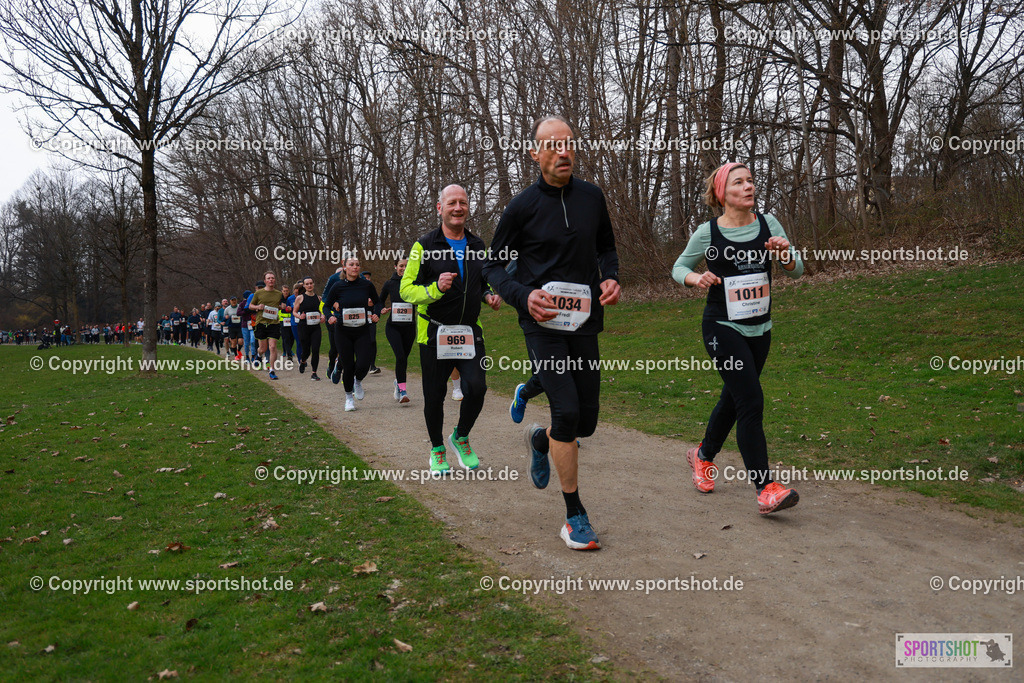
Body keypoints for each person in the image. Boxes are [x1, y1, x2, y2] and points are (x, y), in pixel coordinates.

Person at [483, 115, 620, 551]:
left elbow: (606, 248)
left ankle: (539, 440)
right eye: (553, 145)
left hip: (583, 321)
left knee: (587, 422)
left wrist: (611, 278)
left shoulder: (592, 198)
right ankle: (574, 516)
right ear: (535, 153)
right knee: (566, 412)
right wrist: (523, 296)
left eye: (570, 144)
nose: (564, 152)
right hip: (541, 324)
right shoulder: (521, 207)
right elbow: (490, 266)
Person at [672, 162, 803, 515]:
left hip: (761, 328)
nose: (748, 187)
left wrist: (784, 255)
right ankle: (766, 488)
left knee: (735, 397)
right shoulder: (707, 233)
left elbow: (798, 269)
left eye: (750, 181)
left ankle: (702, 455)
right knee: (751, 399)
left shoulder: (767, 224)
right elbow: (678, 268)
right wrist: (695, 279)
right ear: (722, 194)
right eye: (738, 183)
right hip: (721, 327)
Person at [401, 184, 502, 473]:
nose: (458, 208)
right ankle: (437, 449)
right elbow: (407, 290)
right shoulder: (424, 245)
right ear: (439, 208)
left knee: (477, 388)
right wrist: (434, 289)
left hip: (469, 331)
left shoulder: (477, 245)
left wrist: (488, 296)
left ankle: (460, 436)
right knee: (435, 396)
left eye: (463, 202)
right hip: (434, 333)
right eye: (452, 203)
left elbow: (481, 282)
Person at [324, 257, 381, 410]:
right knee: (348, 365)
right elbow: (326, 306)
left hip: (362, 330)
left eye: (357, 265)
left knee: (363, 363)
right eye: (351, 265)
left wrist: (376, 314)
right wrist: (329, 317)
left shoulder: (366, 285)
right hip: (343, 331)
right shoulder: (338, 286)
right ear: (345, 267)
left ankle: (358, 381)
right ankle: (349, 397)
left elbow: (378, 302)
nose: (355, 267)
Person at [378, 257, 415, 403]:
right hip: (393, 327)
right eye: (401, 266)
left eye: (406, 266)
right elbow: (380, 300)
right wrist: (380, 308)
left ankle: (397, 383)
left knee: (404, 359)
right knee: (400, 357)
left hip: (410, 327)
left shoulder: (414, 283)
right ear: (395, 267)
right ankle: (403, 391)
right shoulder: (389, 283)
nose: (404, 268)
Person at [248, 273, 288, 379]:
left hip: (274, 323)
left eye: (272, 278)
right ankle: (259, 355)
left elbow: (280, 306)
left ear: (275, 280)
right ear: (265, 281)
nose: (271, 280)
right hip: (261, 323)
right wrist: (258, 306)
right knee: (263, 348)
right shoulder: (258, 293)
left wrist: (282, 306)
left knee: (273, 347)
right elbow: (250, 306)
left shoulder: (279, 294)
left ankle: (272, 370)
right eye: (268, 278)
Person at [293, 276, 324, 381]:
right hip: (303, 327)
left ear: (313, 284)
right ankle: (303, 361)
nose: (309, 285)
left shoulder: (318, 298)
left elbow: (322, 312)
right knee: (306, 350)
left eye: (311, 283)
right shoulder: (300, 298)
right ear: (304, 286)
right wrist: (299, 316)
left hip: (316, 328)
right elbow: (294, 312)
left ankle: (314, 373)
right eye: (307, 284)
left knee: (315, 349)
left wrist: (323, 316)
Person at [361, 270, 382, 374]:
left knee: (372, 341)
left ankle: (372, 366)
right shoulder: (357, 289)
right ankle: (361, 364)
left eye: (369, 277)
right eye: (365, 277)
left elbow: (378, 304)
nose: (368, 279)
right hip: (359, 321)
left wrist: (377, 313)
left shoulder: (372, 291)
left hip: (370, 320)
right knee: (361, 343)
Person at [279, 284, 295, 362]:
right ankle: (289, 354)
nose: (285, 292)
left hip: (291, 320)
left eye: (287, 291)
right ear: (282, 291)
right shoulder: (279, 299)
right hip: (282, 321)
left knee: (292, 337)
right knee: (286, 337)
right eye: (284, 291)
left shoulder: (291, 298)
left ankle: (289, 350)